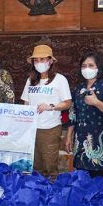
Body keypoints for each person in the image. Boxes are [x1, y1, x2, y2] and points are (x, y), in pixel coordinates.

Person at [20, 44, 72, 178]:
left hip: (50, 128)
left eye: (42, 59)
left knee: (50, 165)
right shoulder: (31, 80)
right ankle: (38, 191)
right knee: (35, 165)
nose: (39, 63)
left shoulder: (60, 80)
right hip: (32, 128)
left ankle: (52, 193)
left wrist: (51, 106)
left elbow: (67, 103)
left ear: (50, 61)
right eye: (36, 60)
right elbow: (26, 102)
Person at [65, 52, 103, 180]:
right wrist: (68, 137)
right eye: (84, 66)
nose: (87, 68)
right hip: (81, 141)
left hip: (101, 141)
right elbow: (73, 114)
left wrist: (97, 103)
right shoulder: (79, 89)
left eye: (91, 65)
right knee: (82, 180)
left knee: (99, 182)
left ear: (98, 68)